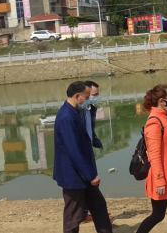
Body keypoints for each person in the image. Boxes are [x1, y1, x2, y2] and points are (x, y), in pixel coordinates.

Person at [53, 81, 112, 233]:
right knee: (73, 215)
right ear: (78, 96)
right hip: (73, 175)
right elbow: (73, 151)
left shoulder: (75, 112)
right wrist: (91, 175)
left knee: (99, 206)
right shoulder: (66, 116)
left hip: (84, 174)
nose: (88, 100)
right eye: (87, 96)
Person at [137, 84, 167, 233]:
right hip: (162, 175)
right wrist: (159, 180)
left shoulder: (163, 117)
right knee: (158, 215)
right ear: (161, 101)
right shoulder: (154, 122)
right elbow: (154, 155)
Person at [80, 81, 114, 224]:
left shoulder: (90, 109)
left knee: (92, 182)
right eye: (93, 94)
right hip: (79, 152)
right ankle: (88, 213)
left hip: (88, 150)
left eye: (96, 94)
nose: (95, 97)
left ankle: (89, 213)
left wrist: (94, 140)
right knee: (87, 183)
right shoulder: (76, 111)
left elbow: (90, 129)